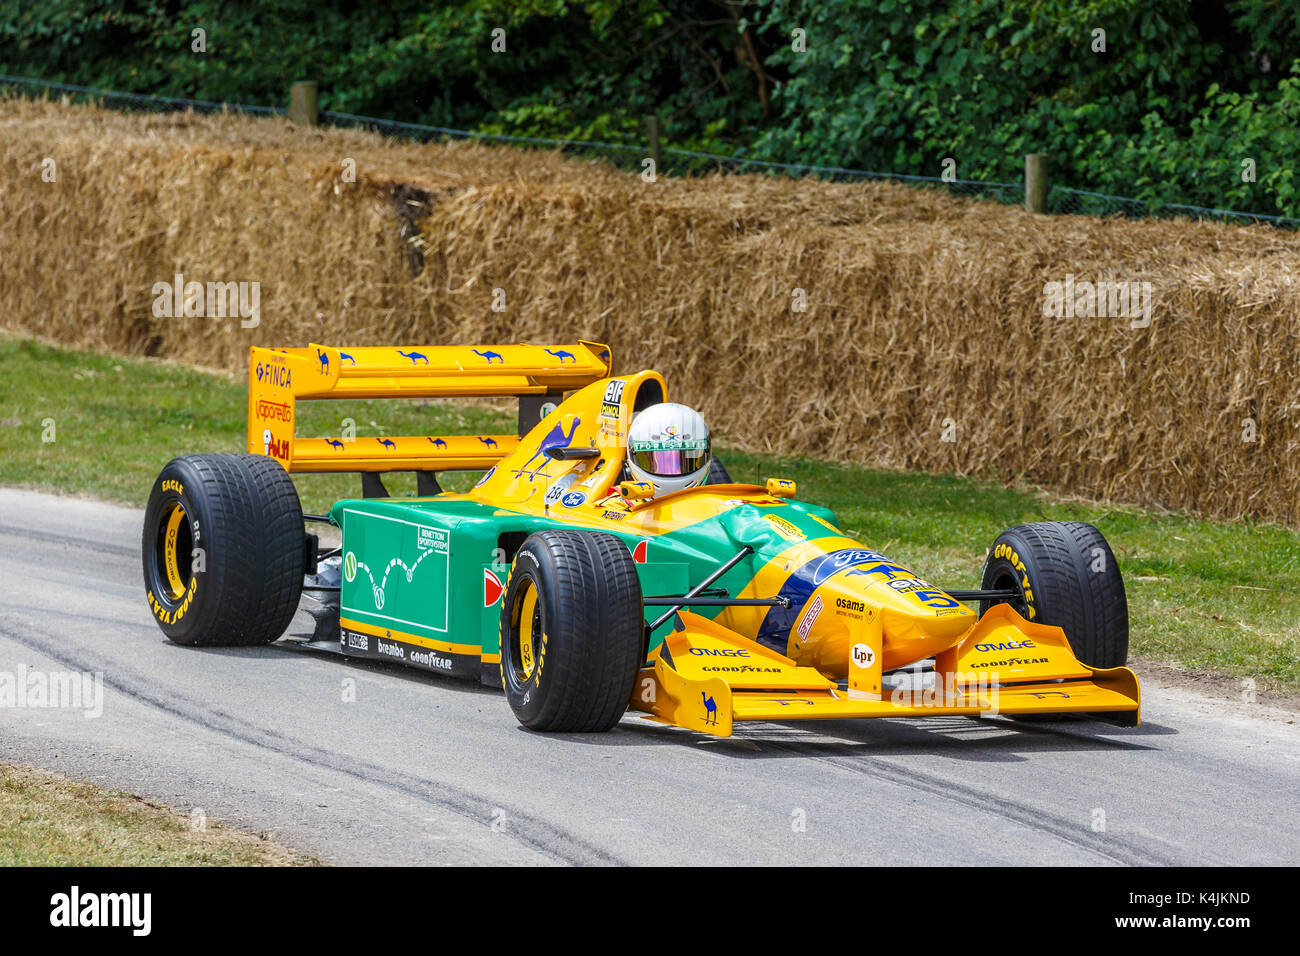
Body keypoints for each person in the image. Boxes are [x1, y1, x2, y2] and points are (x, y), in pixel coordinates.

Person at [624, 403, 712, 498]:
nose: (672, 471)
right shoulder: (616, 507)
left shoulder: (720, 506)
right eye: (659, 461)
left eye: (682, 463)